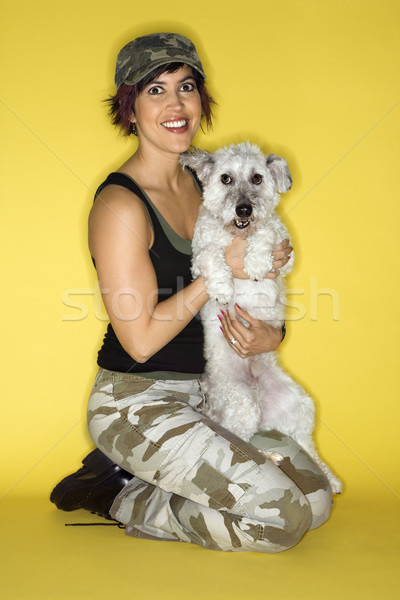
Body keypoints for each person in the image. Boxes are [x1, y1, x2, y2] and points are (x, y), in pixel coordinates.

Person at [50, 33, 333, 552]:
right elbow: (138, 342)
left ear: (202, 100)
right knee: (282, 520)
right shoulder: (120, 206)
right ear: (129, 108)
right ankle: (115, 492)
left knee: (315, 503)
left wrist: (272, 330)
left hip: (213, 396)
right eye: (155, 90)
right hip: (137, 403)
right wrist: (215, 274)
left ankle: (163, 477)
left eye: (186, 87)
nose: (176, 105)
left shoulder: (214, 177)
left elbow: (254, 278)